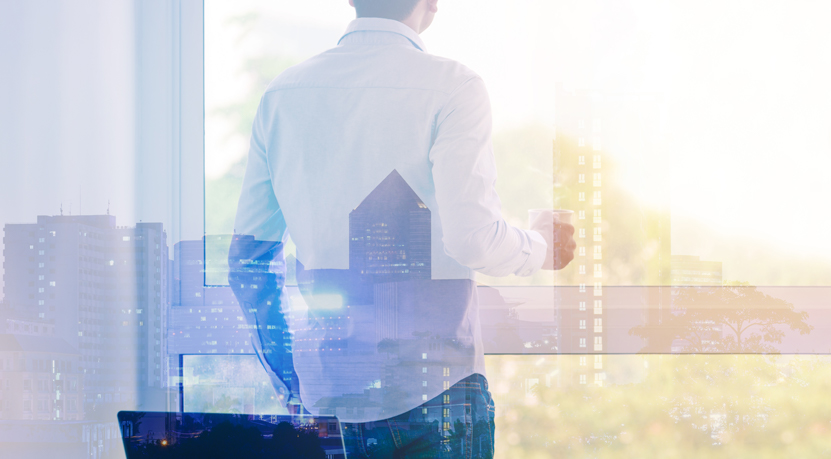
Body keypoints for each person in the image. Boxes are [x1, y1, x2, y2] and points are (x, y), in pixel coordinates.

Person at [228, 0, 576, 457]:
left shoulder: (282, 95)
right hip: (437, 397)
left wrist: (294, 378)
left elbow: (247, 261)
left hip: (328, 400)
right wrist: (540, 247)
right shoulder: (453, 87)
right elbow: (473, 237)